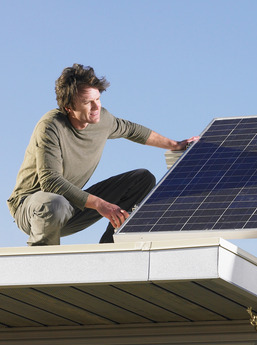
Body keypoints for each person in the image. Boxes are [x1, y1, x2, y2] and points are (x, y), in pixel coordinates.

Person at [7, 64, 198, 245]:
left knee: (143, 179)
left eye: (97, 99)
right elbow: (51, 182)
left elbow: (132, 130)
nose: (96, 107)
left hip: (71, 206)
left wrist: (175, 144)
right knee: (54, 203)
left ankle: (110, 249)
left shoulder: (102, 120)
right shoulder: (50, 127)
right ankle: (41, 266)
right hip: (32, 209)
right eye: (87, 102)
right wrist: (101, 204)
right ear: (68, 108)